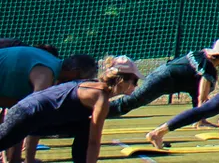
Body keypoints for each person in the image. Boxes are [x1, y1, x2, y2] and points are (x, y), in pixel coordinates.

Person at [0, 63, 137, 163]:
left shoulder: (90, 84)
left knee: (84, 126)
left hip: (33, 117)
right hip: (26, 115)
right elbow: (94, 142)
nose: (136, 86)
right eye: (134, 81)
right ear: (121, 81)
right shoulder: (101, 98)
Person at [107, 39, 219, 118]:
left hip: (164, 75)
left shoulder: (203, 56)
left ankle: (98, 110)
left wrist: (199, 116)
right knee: (132, 101)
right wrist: (200, 117)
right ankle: (96, 111)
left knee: (132, 102)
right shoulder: (208, 67)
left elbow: (196, 93)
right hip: (163, 78)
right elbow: (201, 98)